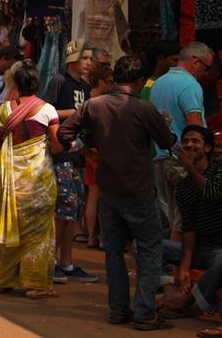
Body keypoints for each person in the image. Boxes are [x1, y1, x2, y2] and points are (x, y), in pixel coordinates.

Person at [58, 55, 176, 330]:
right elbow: (166, 142)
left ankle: (118, 309)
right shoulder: (144, 109)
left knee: (113, 251)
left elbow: (64, 134)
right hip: (138, 189)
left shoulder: (93, 105)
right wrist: (164, 124)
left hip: (109, 188)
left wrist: (88, 151)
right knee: (148, 250)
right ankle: (145, 313)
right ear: (138, 81)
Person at [0, 62, 62, 299]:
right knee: (40, 232)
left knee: (13, 226)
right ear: (36, 83)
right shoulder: (48, 110)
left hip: (12, 181)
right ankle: (36, 284)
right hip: (39, 180)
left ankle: (5, 280)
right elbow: (58, 146)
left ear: (15, 84)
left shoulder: (3, 111)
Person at [42, 39, 97, 284]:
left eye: (90, 59)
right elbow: (47, 111)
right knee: (62, 209)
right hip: (60, 154)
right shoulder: (59, 81)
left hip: (77, 155)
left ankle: (67, 262)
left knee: (72, 211)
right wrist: (80, 112)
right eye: (84, 58)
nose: (88, 63)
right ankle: (50, 261)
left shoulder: (85, 86)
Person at [159, 126, 222, 322]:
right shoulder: (184, 186)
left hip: (219, 250)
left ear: (208, 148)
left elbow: (212, 192)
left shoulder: (219, 171)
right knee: (145, 245)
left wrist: (189, 167)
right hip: (199, 249)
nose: (189, 145)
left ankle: (188, 302)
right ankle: (170, 290)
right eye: (186, 141)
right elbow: (189, 226)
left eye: (195, 141)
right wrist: (185, 265)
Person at [150, 42, 213, 236]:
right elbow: (195, 127)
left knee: (166, 216)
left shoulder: (159, 82)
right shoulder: (190, 85)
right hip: (182, 161)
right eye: (206, 67)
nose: (206, 72)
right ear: (196, 62)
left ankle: (164, 262)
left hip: (160, 158)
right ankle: (178, 264)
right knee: (183, 220)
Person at [83, 63, 114, 249]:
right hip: (101, 151)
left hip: (90, 151)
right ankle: (102, 237)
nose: (112, 84)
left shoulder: (88, 100)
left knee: (93, 195)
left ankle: (90, 236)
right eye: (110, 81)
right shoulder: (104, 102)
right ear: (101, 81)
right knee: (103, 196)